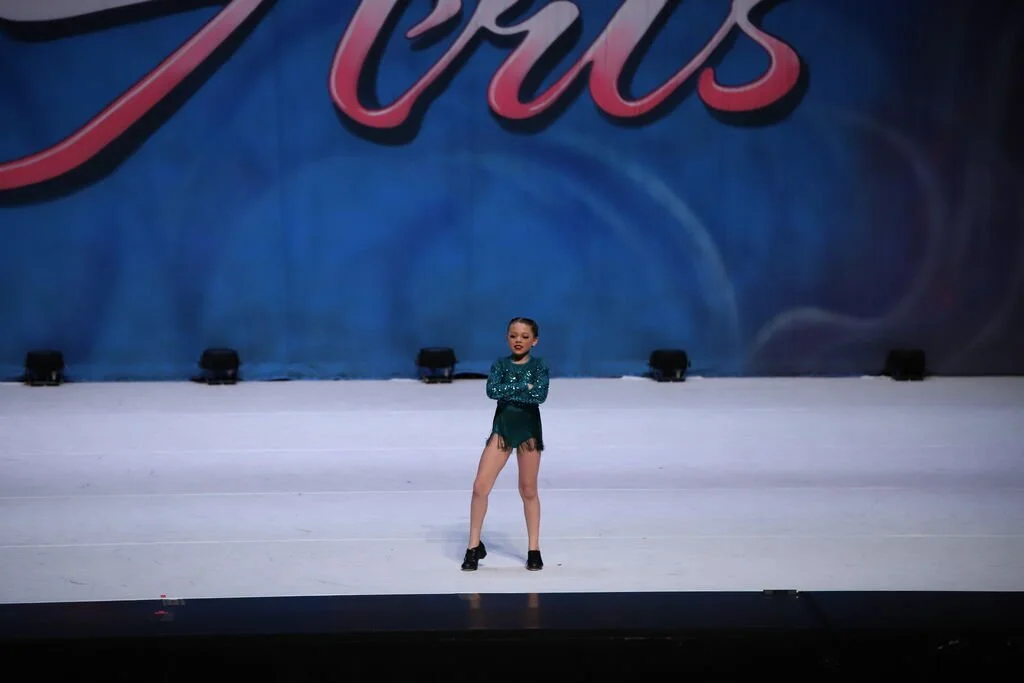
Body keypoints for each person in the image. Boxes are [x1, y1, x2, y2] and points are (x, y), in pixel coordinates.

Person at [462, 317, 550, 572]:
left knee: (528, 489)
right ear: (507, 338)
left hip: (528, 432)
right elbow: (492, 390)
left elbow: (539, 395)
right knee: (480, 486)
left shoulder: (540, 365)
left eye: (524, 336)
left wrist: (511, 388)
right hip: (502, 430)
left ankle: (534, 548)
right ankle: (473, 546)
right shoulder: (500, 364)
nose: (518, 340)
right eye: (513, 335)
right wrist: (524, 385)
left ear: (534, 340)